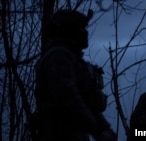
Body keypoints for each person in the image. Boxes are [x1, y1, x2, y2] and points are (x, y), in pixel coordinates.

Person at [32, 9, 116, 141]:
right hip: (59, 134)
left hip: (74, 133)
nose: (85, 32)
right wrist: (98, 130)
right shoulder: (59, 56)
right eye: (81, 28)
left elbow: (86, 100)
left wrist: (104, 129)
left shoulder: (70, 57)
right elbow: (68, 98)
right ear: (68, 30)